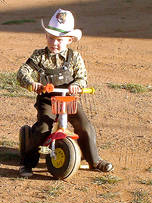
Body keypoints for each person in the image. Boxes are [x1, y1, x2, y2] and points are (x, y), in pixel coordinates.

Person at [17, 8, 113, 177]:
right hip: (47, 98)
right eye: (51, 38)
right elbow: (23, 71)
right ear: (46, 36)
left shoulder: (74, 57)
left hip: (68, 98)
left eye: (60, 40)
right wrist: (32, 83)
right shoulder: (39, 56)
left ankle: (94, 160)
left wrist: (77, 85)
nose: (54, 43)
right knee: (42, 128)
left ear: (69, 40)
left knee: (84, 126)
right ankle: (27, 163)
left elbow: (82, 76)